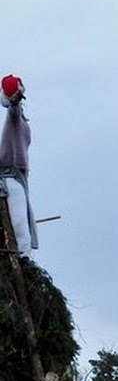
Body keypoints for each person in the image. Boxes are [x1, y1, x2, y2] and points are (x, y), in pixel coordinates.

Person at [0, 74, 38, 258]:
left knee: (24, 213)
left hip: (20, 173)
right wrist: (14, 99)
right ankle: (23, 255)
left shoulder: (21, 118)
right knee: (20, 218)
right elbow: (12, 108)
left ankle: (25, 253)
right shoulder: (14, 115)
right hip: (10, 173)